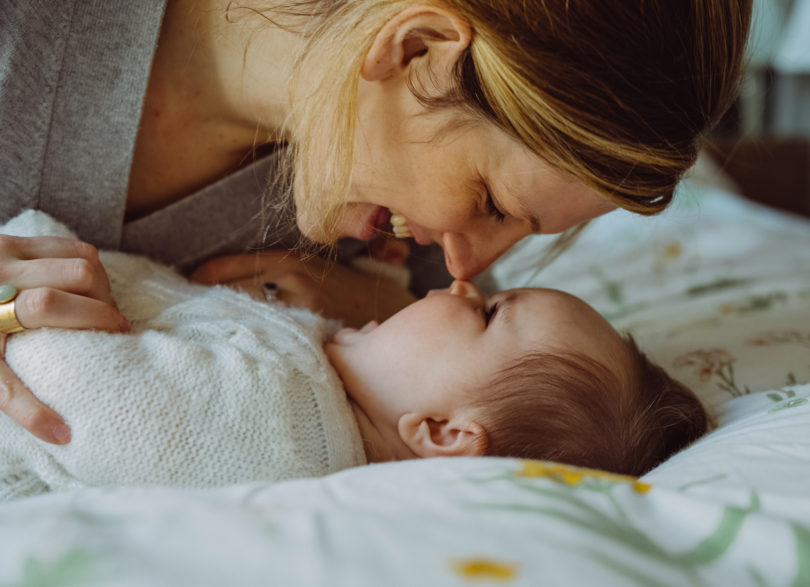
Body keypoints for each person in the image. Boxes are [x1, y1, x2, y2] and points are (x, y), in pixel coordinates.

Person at [0, 1, 751, 444]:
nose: (464, 269)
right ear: (415, 47)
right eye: (491, 202)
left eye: (522, 234)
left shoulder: (386, 270)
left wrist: (370, 321)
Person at [0, 211, 705, 501]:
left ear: (442, 433)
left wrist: (34, 265)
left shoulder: (280, 430)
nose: (462, 282)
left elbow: (82, 411)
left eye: (489, 312)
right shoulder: (328, 384)